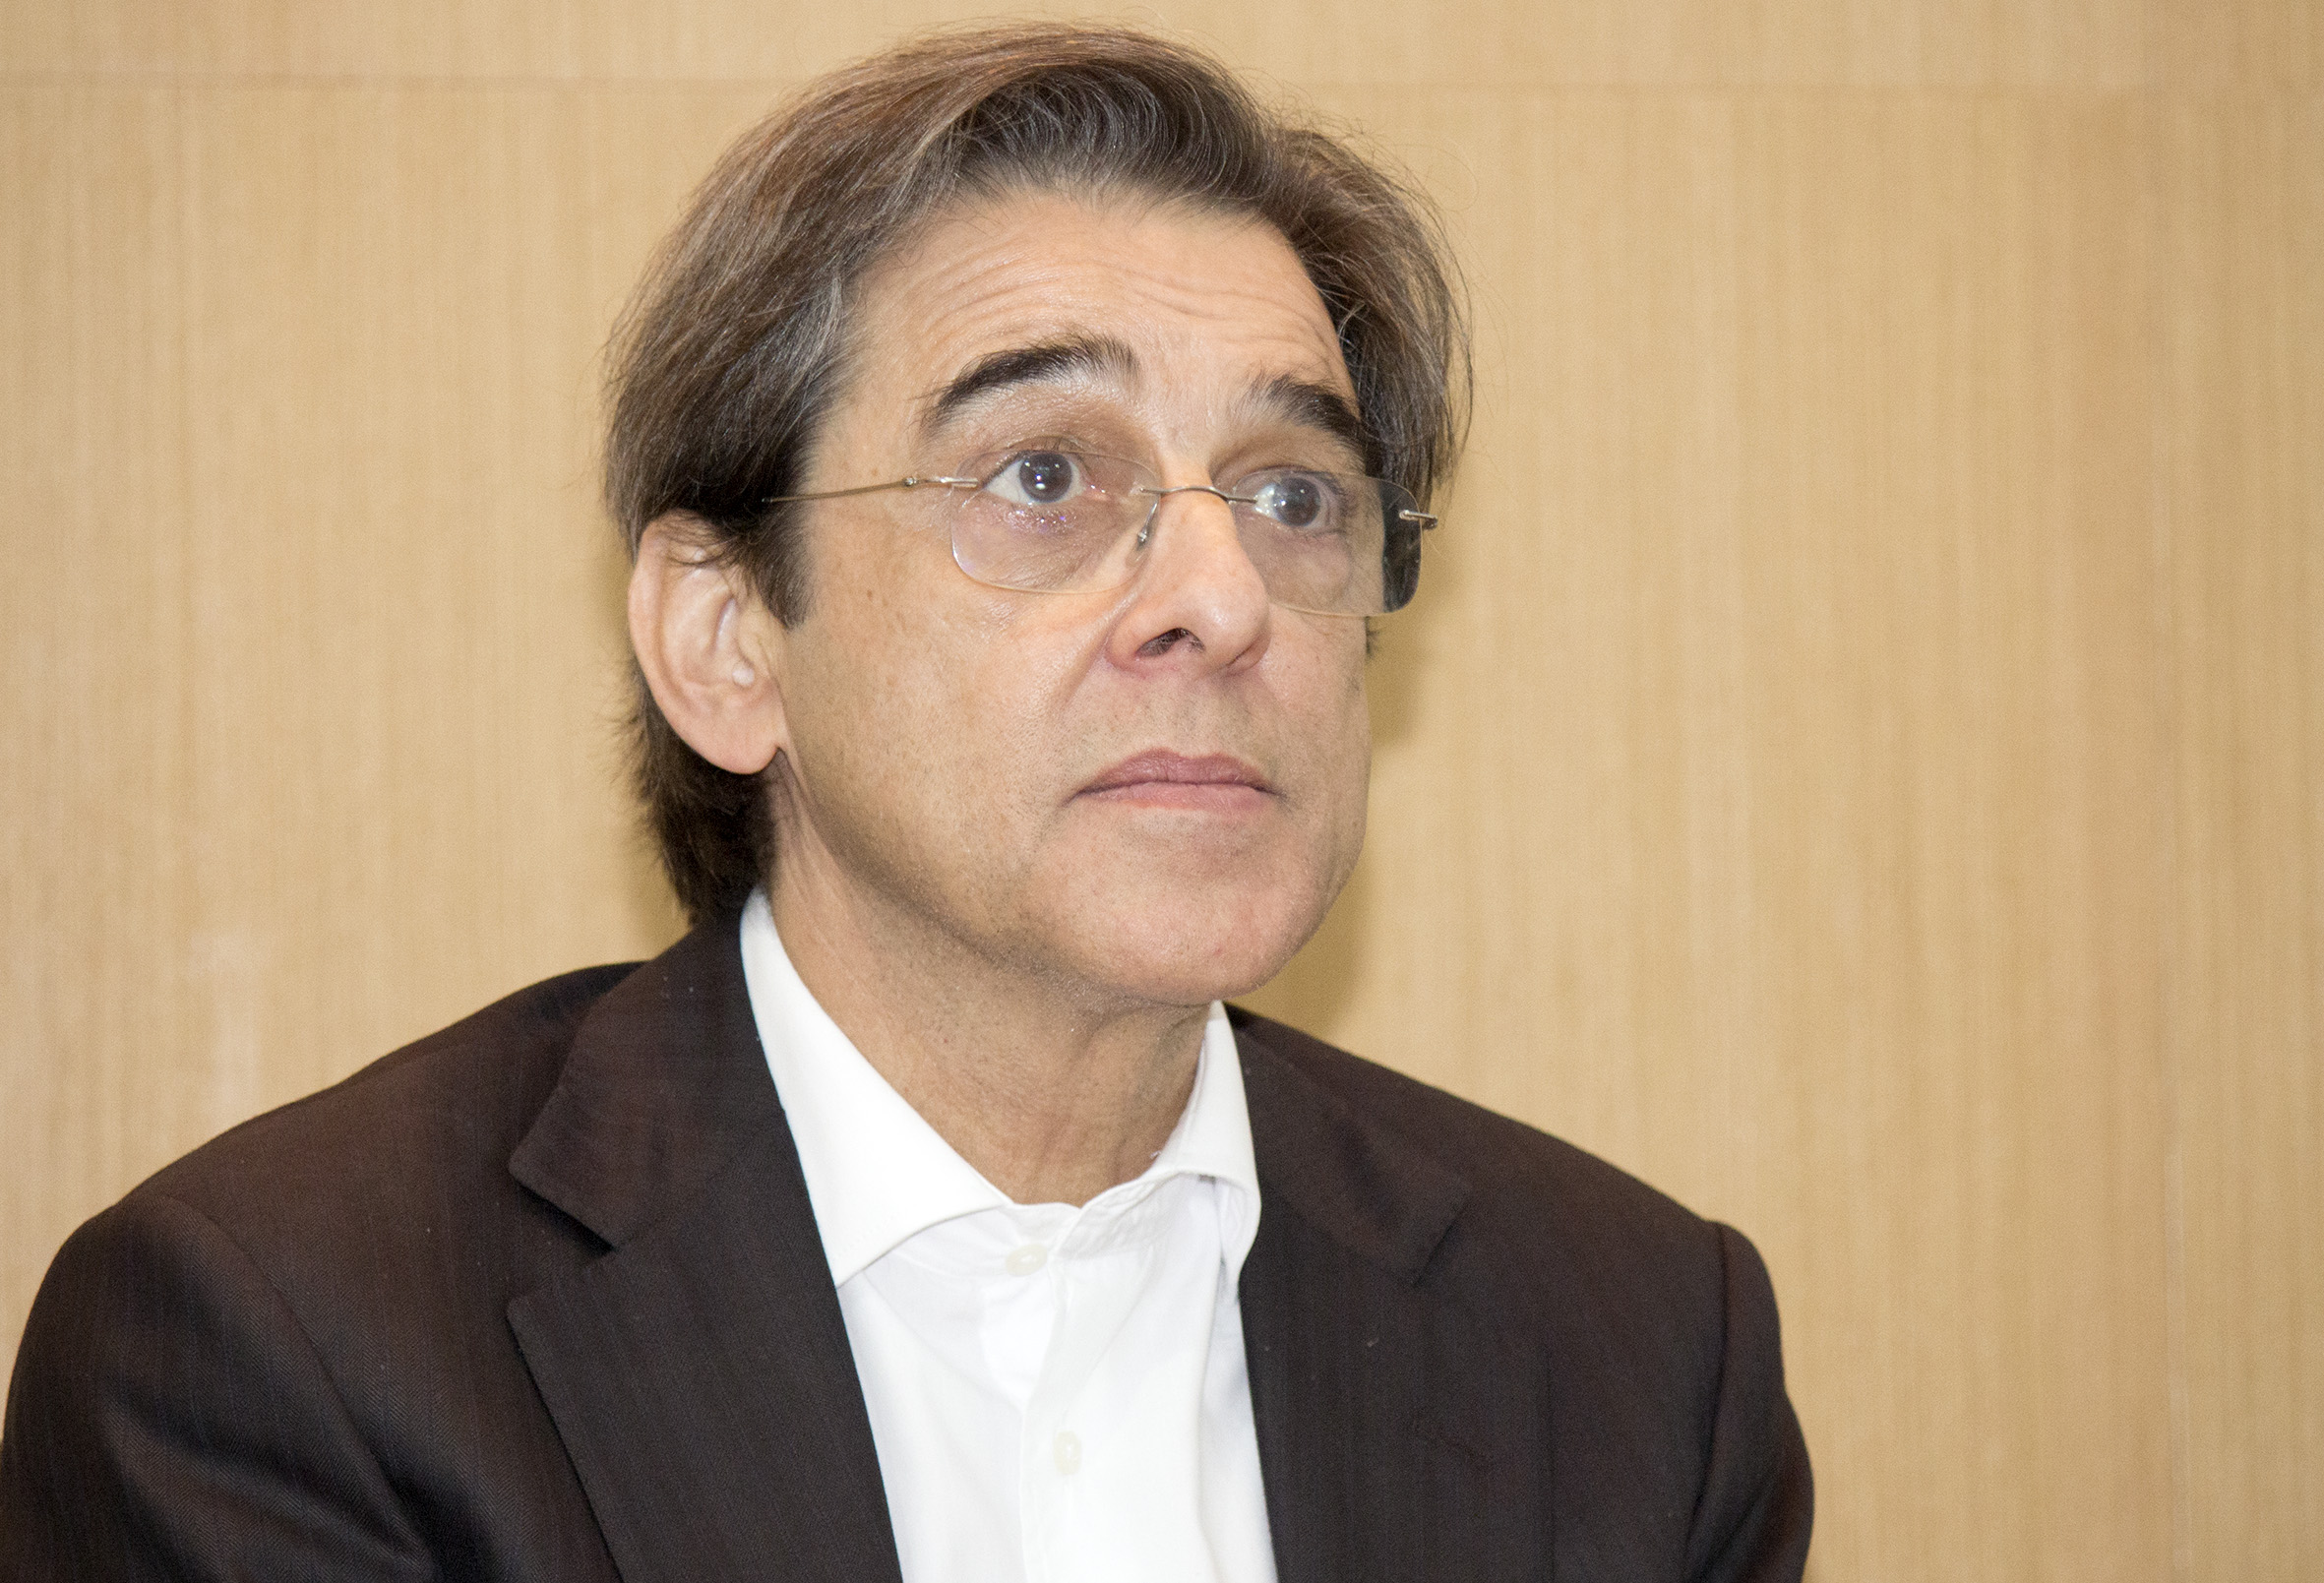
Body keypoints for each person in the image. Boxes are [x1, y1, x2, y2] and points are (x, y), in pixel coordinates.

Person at [0, 24, 1810, 1582]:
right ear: (727, 640)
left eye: (1293, 497)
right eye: (1041, 474)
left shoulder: (1637, 1352)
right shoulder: (291, 1346)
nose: (1222, 597)